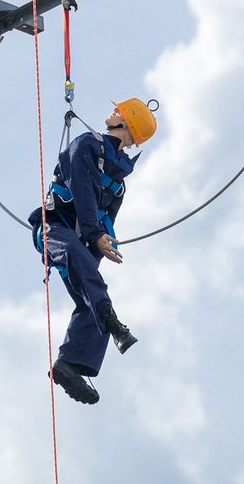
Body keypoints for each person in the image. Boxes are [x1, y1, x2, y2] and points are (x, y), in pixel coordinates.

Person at [28, 97, 157, 405]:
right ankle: (112, 322)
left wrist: (97, 246)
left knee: (92, 294)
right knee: (89, 281)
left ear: (126, 125)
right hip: (52, 230)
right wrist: (94, 235)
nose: (112, 111)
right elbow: (81, 188)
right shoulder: (85, 146)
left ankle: (70, 364)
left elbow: (100, 220)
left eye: (119, 111)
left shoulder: (116, 183)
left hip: (80, 243)